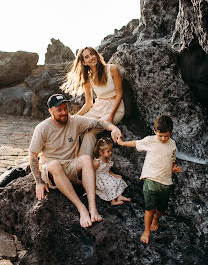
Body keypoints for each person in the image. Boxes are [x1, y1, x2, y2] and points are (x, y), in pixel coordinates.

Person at [29, 94, 122, 228]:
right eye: (59, 110)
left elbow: (99, 122)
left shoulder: (75, 121)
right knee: (55, 165)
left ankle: (92, 207)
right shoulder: (42, 128)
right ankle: (81, 208)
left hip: (70, 165)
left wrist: (113, 128)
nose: (64, 112)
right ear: (50, 111)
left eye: (65, 108)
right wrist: (38, 182)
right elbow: (32, 156)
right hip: (50, 168)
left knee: (85, 159)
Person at [117, 115, 182, 244]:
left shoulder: (172, 144)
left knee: (162, 208)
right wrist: (122, 143)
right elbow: (136, 143)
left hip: (166, 182)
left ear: (170, 133)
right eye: (160, 136)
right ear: (155, 131)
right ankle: (146, 230)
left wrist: (174, 168)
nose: (163, 139)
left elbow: (172, 160)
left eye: (166, 136)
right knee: (150, 208)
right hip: (151, 179)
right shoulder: (150, 140)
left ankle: (156, 219)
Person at [61, 46, 125, 157]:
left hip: (115, 106)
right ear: (83, 62)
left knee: (91, 132)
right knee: (75, 126)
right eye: (87, 57)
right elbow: (89, 103)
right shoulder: (88, 78)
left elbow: (119, 93)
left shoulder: (112, 69)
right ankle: (66, 157)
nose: (91, 58)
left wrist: (111, 115)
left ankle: (83, 161)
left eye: (92, 54)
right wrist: (74, 118)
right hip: (98, 107)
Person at [93, 137, 130, 206]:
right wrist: (94, 184)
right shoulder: (97, 162)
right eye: (108, 151)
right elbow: (91, 173)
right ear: (101, 152)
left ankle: (119, 196)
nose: (111, 152)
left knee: (119, 179)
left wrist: (114, 175)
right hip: (99, 178)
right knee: (110, 185)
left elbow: (107, 169)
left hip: (107, 175)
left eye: (111, 150)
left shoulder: (107, 159)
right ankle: (113, 201)